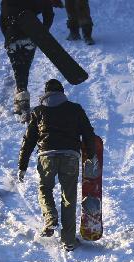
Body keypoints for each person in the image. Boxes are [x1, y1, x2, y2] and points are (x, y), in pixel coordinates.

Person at [18, 79, 97, 252]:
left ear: (45, 94)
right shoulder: (75, 109)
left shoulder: (38, 111)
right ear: (62, 93)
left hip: (46, 156)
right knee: (68, 196)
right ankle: (68, 240)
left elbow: (29, 140)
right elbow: (88, 133)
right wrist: (90, 157)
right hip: (70, 156)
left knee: (45, 188)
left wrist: (22, 165)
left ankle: (50, 218)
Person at [0, 0, 55, 120]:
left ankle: (21, 101)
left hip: (12, 39)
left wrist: (8, 37)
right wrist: (43, 31)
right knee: (24, 69)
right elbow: (49, 13)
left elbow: (2, 21)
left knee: (18, 71)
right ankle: (22, 100)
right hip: (30, 36)